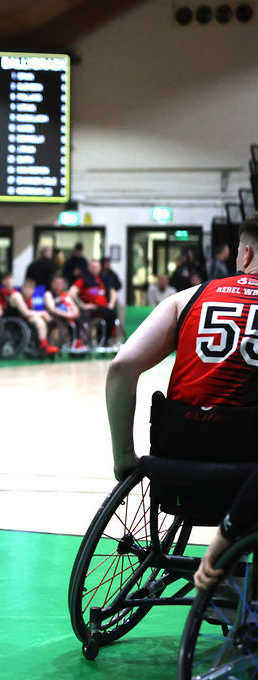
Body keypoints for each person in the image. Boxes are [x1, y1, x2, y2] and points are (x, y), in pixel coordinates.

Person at [104, 217, 258, 591]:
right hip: (246, 468)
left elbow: (122, 367)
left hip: (177, 455)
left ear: (246, 252)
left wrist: (124, 455)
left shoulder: (187, 297)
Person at [70, 260, 118, 345]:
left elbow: (113, 292)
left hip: (103, 308)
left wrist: (111, 303)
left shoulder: (103, 279)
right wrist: (83, 305)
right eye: (93, 267)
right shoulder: (83, 279)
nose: (96, 269)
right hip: (90, 309)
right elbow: (71, 293)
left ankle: (106, 340)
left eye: (97, 267)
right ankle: (85, 342)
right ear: (89, 268)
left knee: (112, 314)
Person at [8, 279, 59, 356]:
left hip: (23, 320)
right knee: (39, 320)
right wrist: (42, 313)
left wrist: (44, 315)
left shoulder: (29, 299)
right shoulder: (16, 296)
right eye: (27, 288)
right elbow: (26, 313)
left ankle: (52, 344)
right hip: (12, 321)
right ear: (23, 288)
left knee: (50, 321)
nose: (29, 291)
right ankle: (43, 345)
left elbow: (31, 311)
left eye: (31, 289)